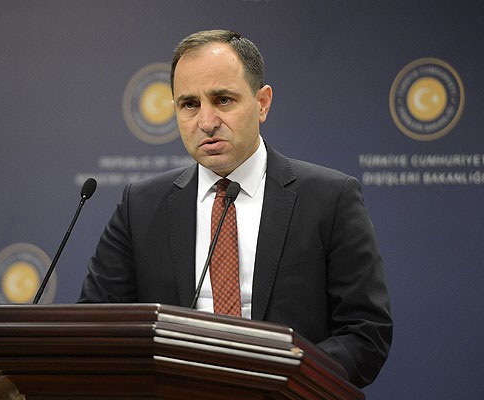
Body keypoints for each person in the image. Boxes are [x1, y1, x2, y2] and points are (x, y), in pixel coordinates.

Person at [79, 29, 392, 388]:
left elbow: (365, 334)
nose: (206, 121)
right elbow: (96, 327)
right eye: (189, 104)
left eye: (223, 100)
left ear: (262, 103)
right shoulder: (141, 205)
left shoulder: (329, 198)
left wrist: (280, 377)